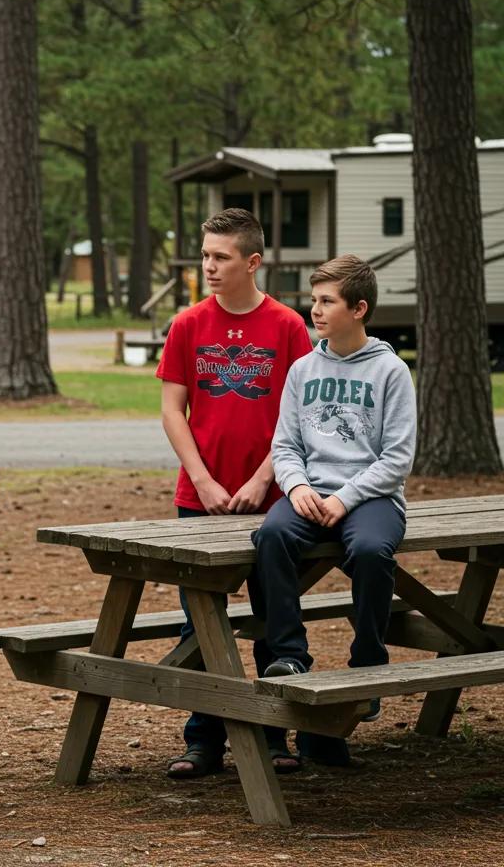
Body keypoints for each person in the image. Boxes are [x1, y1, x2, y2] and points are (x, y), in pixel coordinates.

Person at [158, 207, 313, 779]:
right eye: (205, 256)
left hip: (273, 500)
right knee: (200, 620)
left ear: (252, 261)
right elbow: (173, 411)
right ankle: (203, 741)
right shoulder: (188, 324)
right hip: (199, 497)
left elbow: (299, 419)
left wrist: (261, 480)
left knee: (276, 616)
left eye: (220, 257)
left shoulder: (289, 327)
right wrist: (201, 479)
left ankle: (274, 736)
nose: (209, 267)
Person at [250, 255, 416, 729]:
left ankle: (367, 663)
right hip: (310, 491)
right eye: (313, 300)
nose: (315, 311)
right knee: (271, 537)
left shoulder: (391, 372)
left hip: (373, 497)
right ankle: (290, 655)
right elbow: (285, 445)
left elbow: (397, 459)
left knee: (369, 550)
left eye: (327, 301)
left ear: (359, 308)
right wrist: (297, 486)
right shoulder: (303, 369)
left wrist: (346, 498)